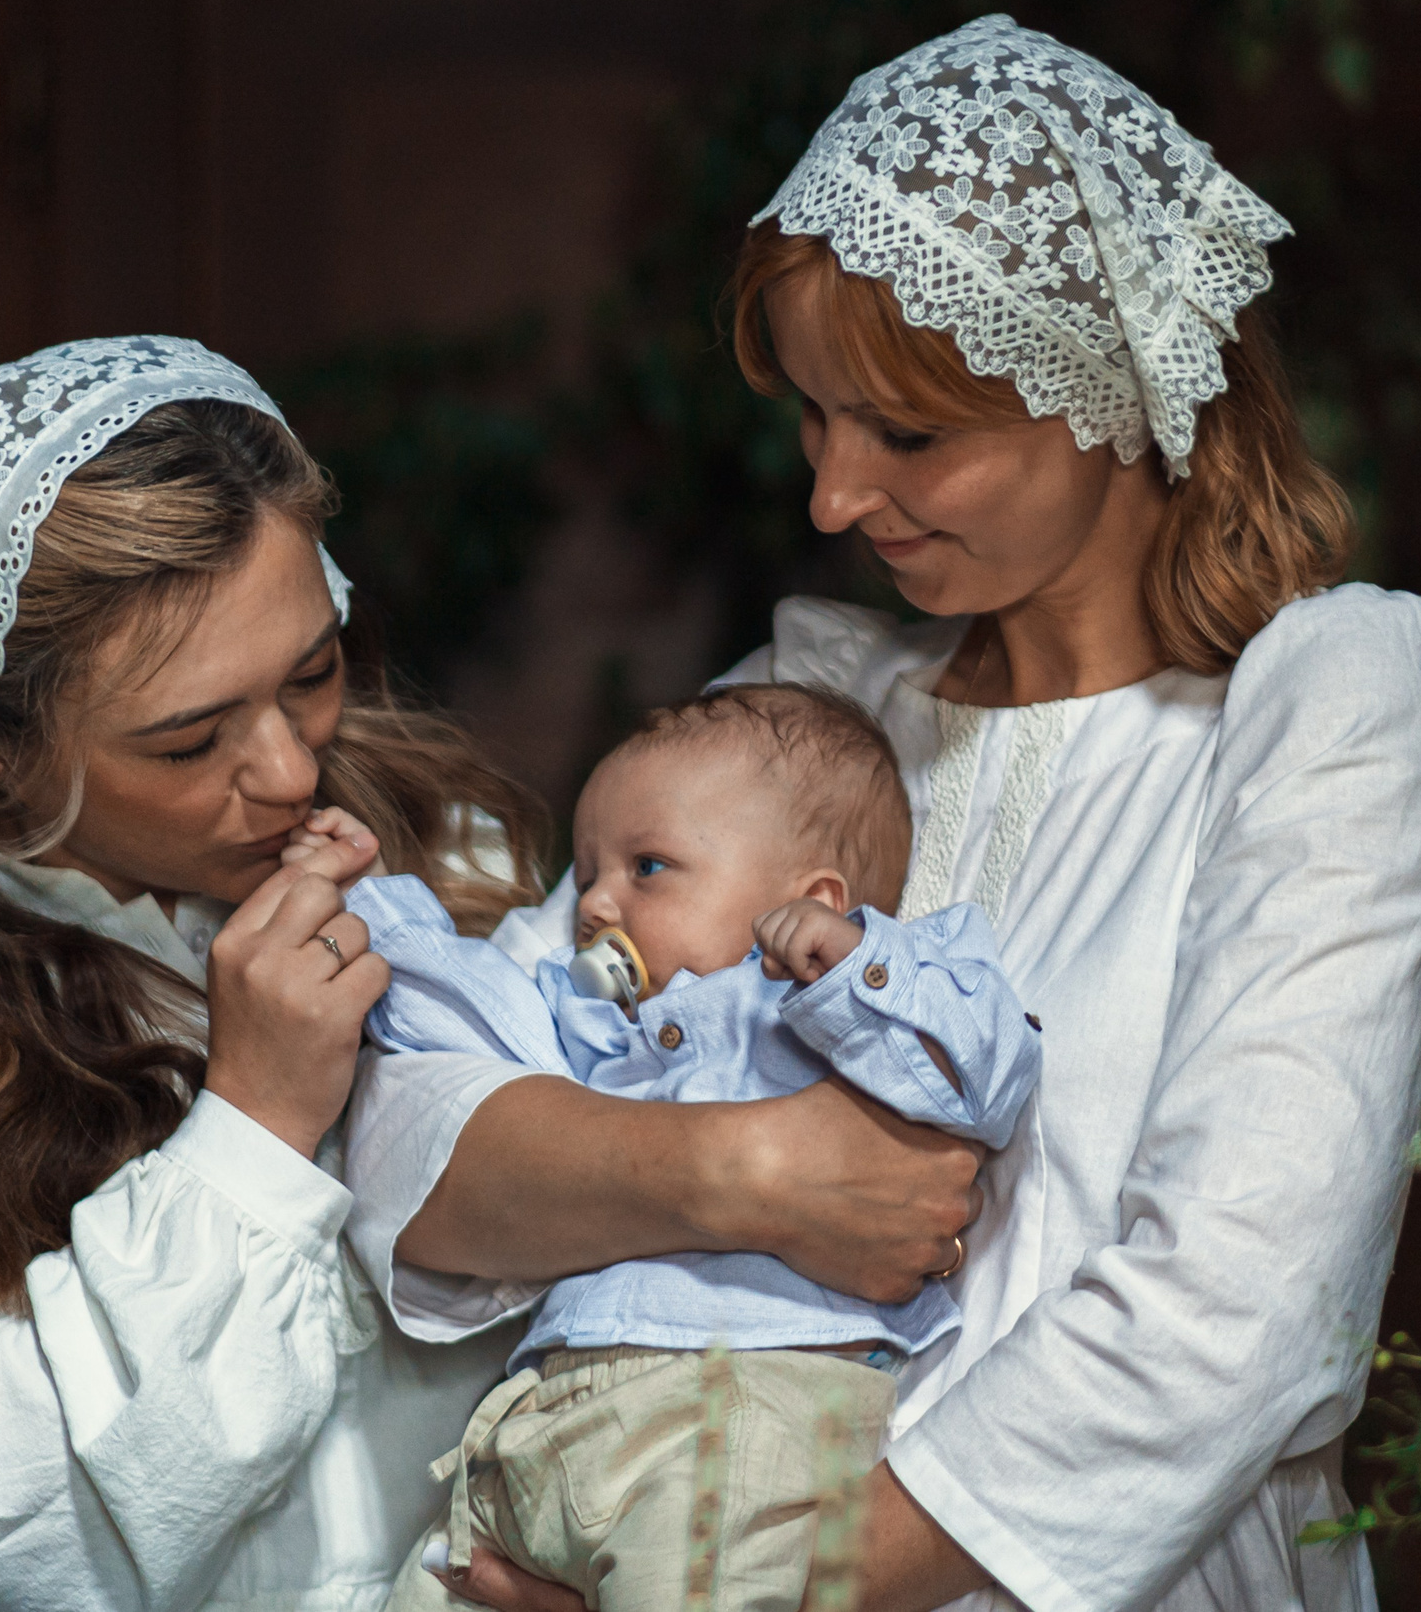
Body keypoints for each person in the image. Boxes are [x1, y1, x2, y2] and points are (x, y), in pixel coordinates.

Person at [348, 15, 1421, 1612]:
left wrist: (734, 1586)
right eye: (813, 418)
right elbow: (428, 1119)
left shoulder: (1325, 704)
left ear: (1105, 387)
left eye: (909, 433)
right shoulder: (820, 706)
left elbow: (1246, 1305)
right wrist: (740, 1174)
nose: (829, 496)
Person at [0, 336, 953, 1611]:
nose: (290, 768)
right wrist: (254, 1120)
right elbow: (0, 1520)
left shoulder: (452, 862)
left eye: (312, 671)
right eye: (188, 741)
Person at [329, 682, 1037, 1611]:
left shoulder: (829, 1003)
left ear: (812, 897)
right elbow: (462, 1031)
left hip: (739, 1410)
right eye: (587, 872)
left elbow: (986, 1071)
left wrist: (849, 965)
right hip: (543, 1420)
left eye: (647, 867)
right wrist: (371, 915)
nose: (595, 903)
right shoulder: (598, 1028)